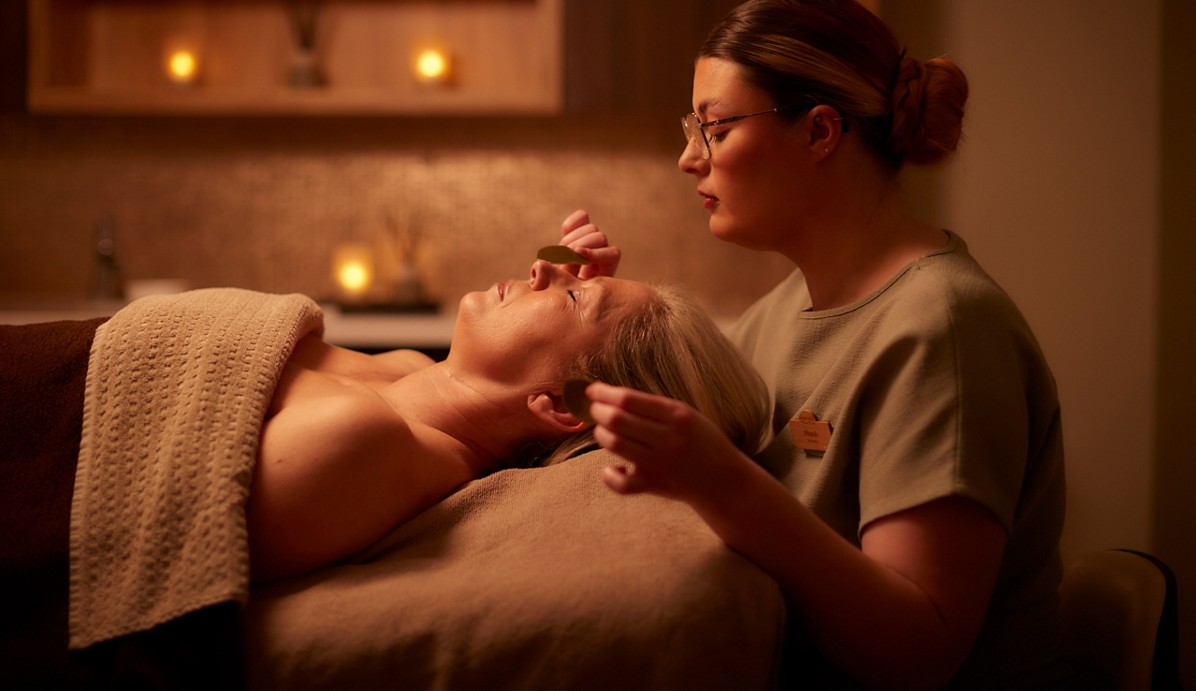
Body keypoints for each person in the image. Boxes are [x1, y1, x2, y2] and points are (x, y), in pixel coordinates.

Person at [557, 0, 1070, 688]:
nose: (688, 158)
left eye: (713, 127)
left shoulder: (942, 329)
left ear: (821, 132)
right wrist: (590, 319)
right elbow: (695, 436)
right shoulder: (786, 308)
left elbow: (919, 652)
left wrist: (728, 486)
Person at [247, 259, 768, 583]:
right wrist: (580, 301)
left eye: (571, 295)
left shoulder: (361, 443)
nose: (544, 265)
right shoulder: (408, 367)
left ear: (562, 406)